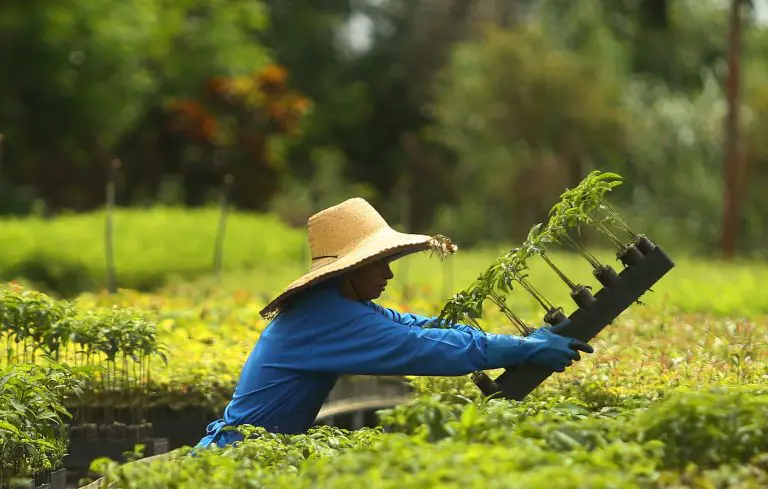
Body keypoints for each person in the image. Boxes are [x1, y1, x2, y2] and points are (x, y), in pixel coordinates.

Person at [196, 197, 593, 449]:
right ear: (350, 269)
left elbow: (417, 327)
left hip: (259, 454)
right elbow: (424, 349)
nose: (388, 273)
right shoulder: (325, 318)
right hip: (235, 458)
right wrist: (527, 349)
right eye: (378, 262)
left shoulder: (341, 306)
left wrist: (521, 341)